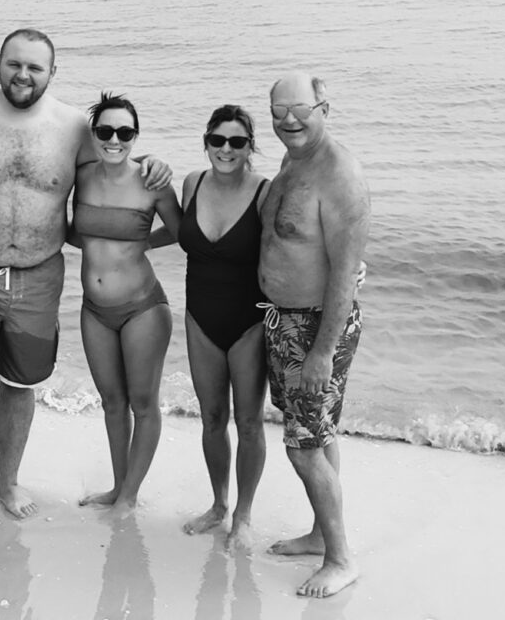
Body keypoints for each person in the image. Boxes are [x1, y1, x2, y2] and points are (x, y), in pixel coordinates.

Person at [0, 28, 170, 550]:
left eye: (34, 67)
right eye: (14, 64)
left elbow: (115, 165)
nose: (22, 75)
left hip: (40, 277)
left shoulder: (76, 126)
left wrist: (156, 170)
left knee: (19, 384)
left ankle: (7, 483)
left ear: (54, 72)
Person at [258, 71, 370, 598]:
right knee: (317, 437)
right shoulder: (292, 159)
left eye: (299, 108)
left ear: (325, 106)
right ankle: (319, 534)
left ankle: (341, 558)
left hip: (315, 328)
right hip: (284, 322)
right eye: (279, 110)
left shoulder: (339, 174)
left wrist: (322, 351)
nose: (288, 119)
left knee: (303, 449)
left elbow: (346, 272)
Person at [68, 92, 183, 516]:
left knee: (142, 403)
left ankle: (130, 496)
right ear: (93, 135)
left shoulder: (152, 181)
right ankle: (118, 488)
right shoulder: (80, 175)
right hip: (93, 310)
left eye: (125, 132)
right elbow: (68, 231)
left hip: (143, 308)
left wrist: (142, 243)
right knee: (111, 403)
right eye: (105, 131)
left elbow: (184, 233)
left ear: (136, 136)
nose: (114, 139)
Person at [177, 104, 270, 549]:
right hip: (200, 318)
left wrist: (352, 267)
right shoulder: (192, 183)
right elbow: (166, 228)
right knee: (212, 418)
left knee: (249, 422)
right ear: (206, 142)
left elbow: (296, 241)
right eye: (218, 140)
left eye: (237, 141)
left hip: (249, 320)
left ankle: (245, 516)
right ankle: (218, 506)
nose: (226, 149)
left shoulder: (266, 192)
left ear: (251, 147)